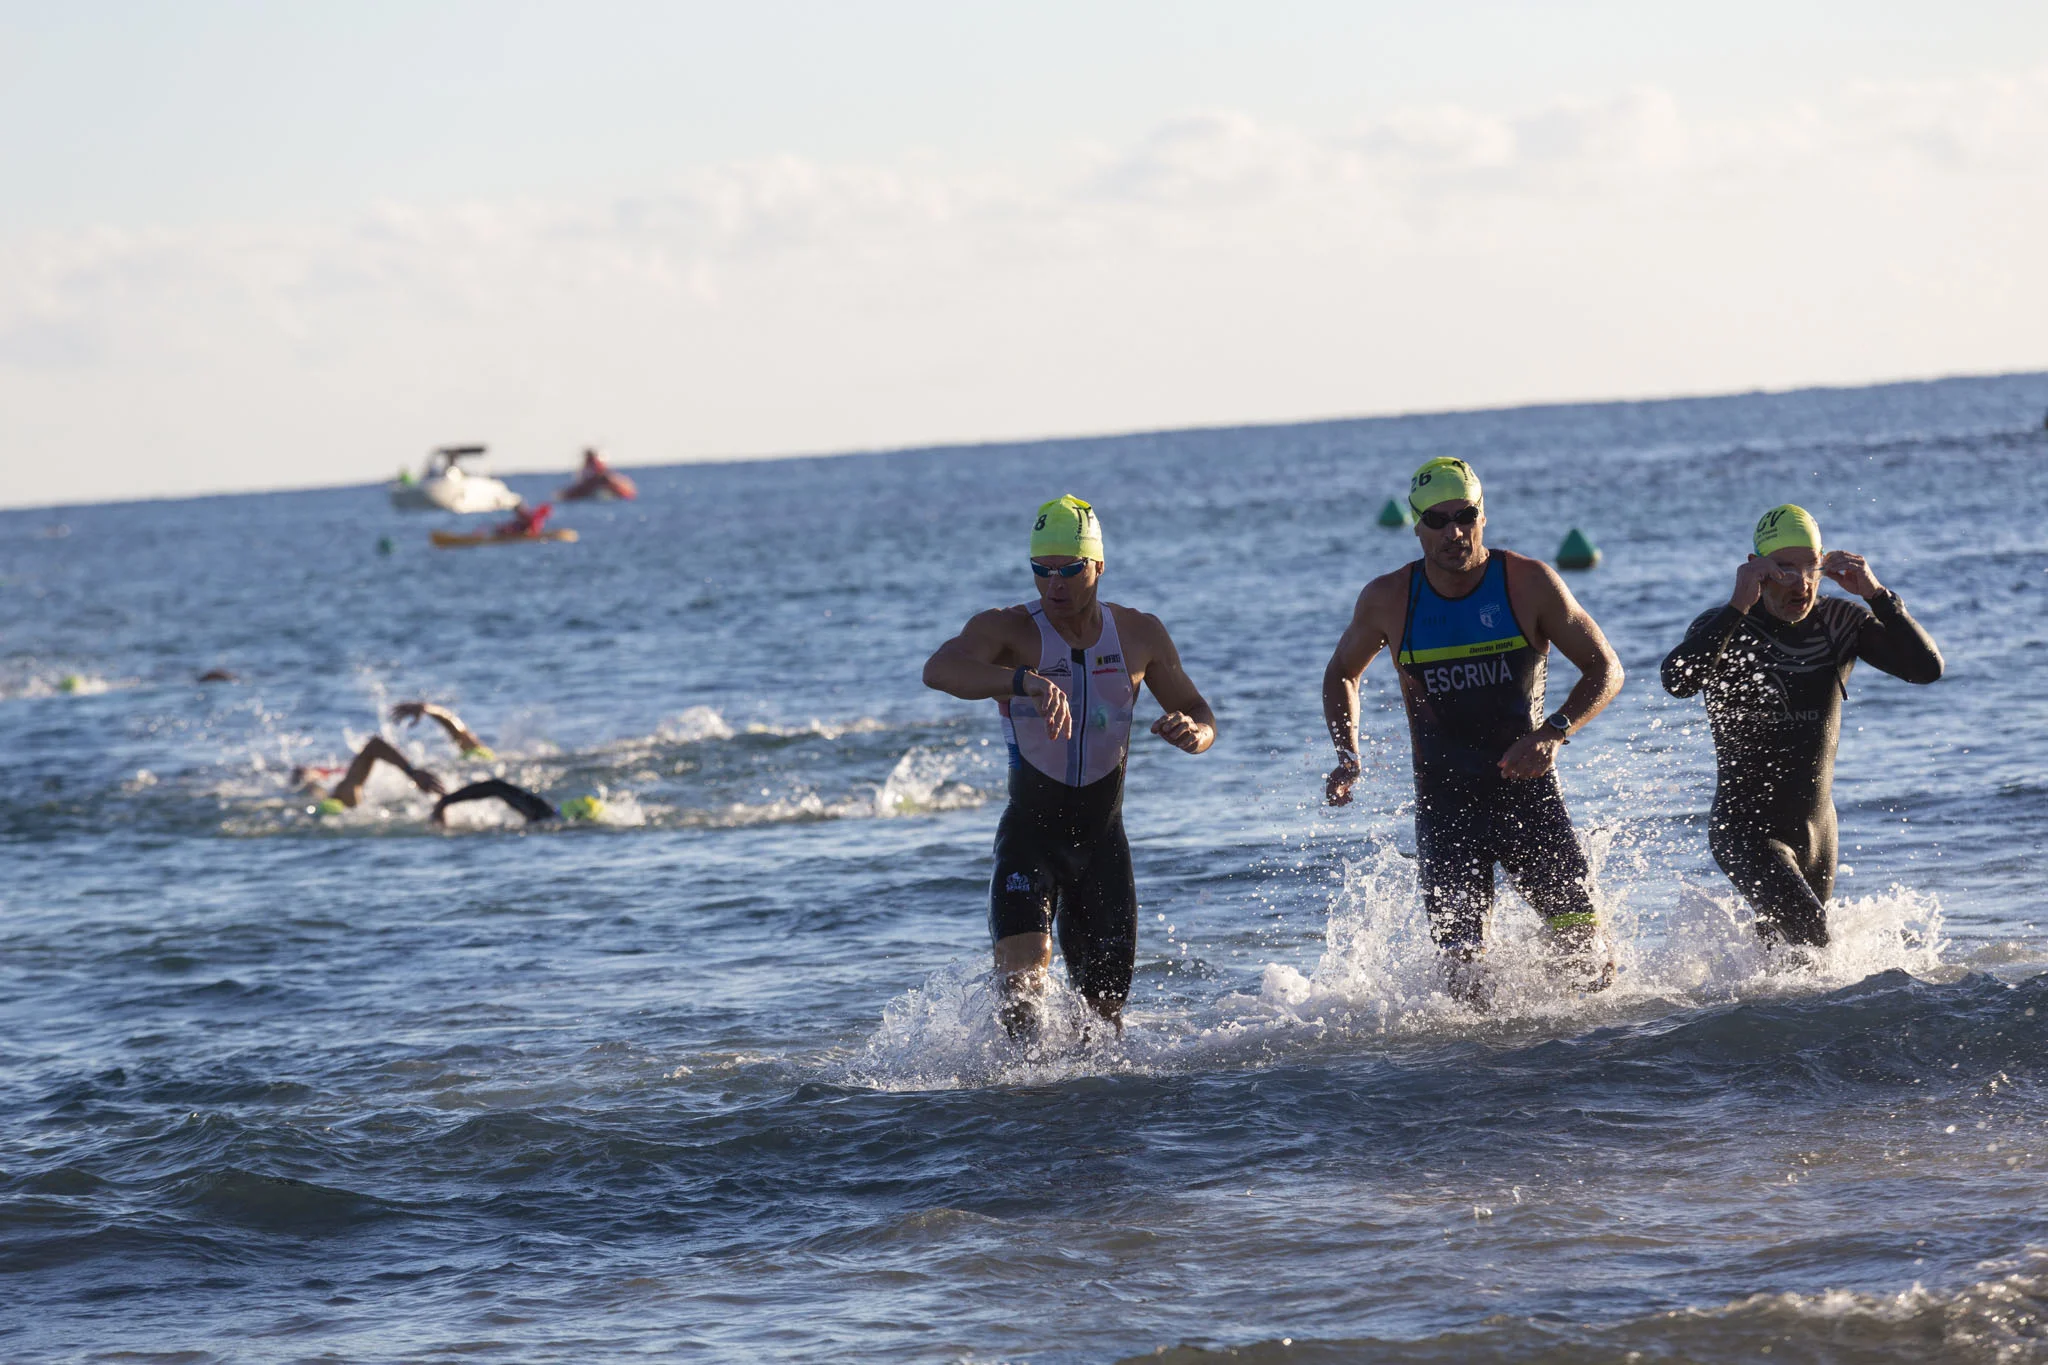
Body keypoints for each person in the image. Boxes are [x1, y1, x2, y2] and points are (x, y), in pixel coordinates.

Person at [1322, 457, 1624, 993]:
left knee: (1588, 960)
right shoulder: (1389, 599)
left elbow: (1606, 669)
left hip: (1528, 793)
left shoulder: (1527, 582)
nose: (1453, 532)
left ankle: (1585, 1068)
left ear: (1483, 516)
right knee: (1462, 981)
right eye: (1436, 521)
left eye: (1465, 515)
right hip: (1446, 804)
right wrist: (1349, 754)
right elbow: (1342, 673)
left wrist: (1553, 731)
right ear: (1416, 526)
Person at [922, 495, 1218, 1035]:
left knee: (1103, 1024)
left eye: (1069, 570)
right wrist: (1021, 681)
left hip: (1103, 844)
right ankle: (1021, 1111)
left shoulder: (1140, 634)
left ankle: (1091, 1117)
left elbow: (1201, 713)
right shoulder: (1010, 631)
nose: (1053, 584)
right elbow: (939, 670)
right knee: (1020, 993)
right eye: (1041, 570)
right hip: (1030, 837)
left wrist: (1192, 733)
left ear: (1098, 565)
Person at [1660, 504, 1942, 949]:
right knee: (1811, 934)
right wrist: (1737, 604)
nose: (1802, 582)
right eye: (1784, 568)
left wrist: (1877, 595)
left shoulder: (1841, 622)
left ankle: (1742, 1013)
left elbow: (1925, 669)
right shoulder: (1726, 627)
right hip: (1746, 829)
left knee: (1793, 967)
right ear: (1757, 570)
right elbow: (1678, 681)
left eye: (1811, 565)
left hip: (1818, 830)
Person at [292, 738, 444, 814]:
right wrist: (411, 772)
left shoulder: (345, 792)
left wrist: (412, 772)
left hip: (329, 793)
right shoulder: (346, 793)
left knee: (306, 779)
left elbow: (375, 744)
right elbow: (374, 745)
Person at [392, 700, 496, 761]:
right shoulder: (482, 755)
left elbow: (453, 726)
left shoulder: (480, 754)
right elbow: (454, 726)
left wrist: (425, 708)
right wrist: (426, 708)